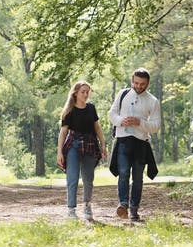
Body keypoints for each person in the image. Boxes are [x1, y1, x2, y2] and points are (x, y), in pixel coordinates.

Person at [109, 68, 160, 221]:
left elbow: (156, 126)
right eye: (136, 83)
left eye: (142, 84)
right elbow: (112, 113)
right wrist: (120, 121)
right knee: (123, 173)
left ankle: (134, 209)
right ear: (132, 81)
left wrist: (139, 122)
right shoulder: (122, 94)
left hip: (140, 143)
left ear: (147, 83)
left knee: (137, 178)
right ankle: (123, 204)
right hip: (123, 140)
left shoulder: (153, 101)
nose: (138, 86)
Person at [57, 81, 108, 220]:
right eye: (83, 92)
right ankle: (71, 209)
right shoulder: (69, 110)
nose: (85, 94)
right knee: (72, 178)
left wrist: (103, 144)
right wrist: (59, 152)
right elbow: (63, 133)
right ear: (75, 93)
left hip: (90, 145)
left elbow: (97, 128)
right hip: (73, 145)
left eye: (87, 92)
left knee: (88, 178)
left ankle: (87, 206)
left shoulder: (91, 108)